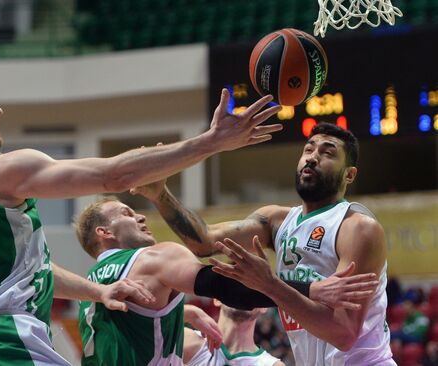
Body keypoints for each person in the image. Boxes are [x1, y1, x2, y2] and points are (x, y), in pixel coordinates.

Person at [0, 72, 283, 365]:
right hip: (8, 345)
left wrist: (98, 291)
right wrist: (210, 142)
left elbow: (35, 271)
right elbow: (114, 176)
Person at [132, 122, 394, 365]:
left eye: (328, 153)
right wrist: (161, 195)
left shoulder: (358, 227)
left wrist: (269, 284)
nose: (312, 157)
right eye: (308, 149)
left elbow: (344, 334)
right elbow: (204, 242)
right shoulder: (276, 220)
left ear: (349, 175)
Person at [74, 197, 378, 365]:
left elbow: (131, 334)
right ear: (105, 233)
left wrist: (182, 313)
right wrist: (311, 289)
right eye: (127, 213)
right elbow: (224, 285)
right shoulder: (154, 258)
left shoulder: (93, 288)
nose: (140, 216)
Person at [183, 299, 284, 366]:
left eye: (251, 288)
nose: (241, 294)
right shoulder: (187, 340)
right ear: (217, 299)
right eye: (234, 286)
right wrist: (188, 313)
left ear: (264, 306)